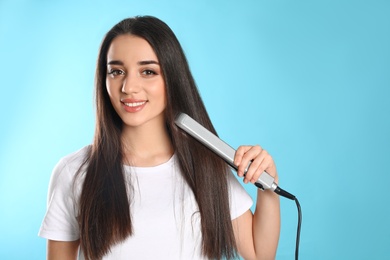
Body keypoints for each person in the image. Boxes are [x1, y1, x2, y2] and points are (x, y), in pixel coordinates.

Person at [39, 15, 280, 260]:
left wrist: (268, 184)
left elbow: (259, 255)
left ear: (172, 78)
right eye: (117, 71)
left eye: (148, 71)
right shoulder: (74, 172)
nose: (129, 87)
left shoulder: (206, 167)